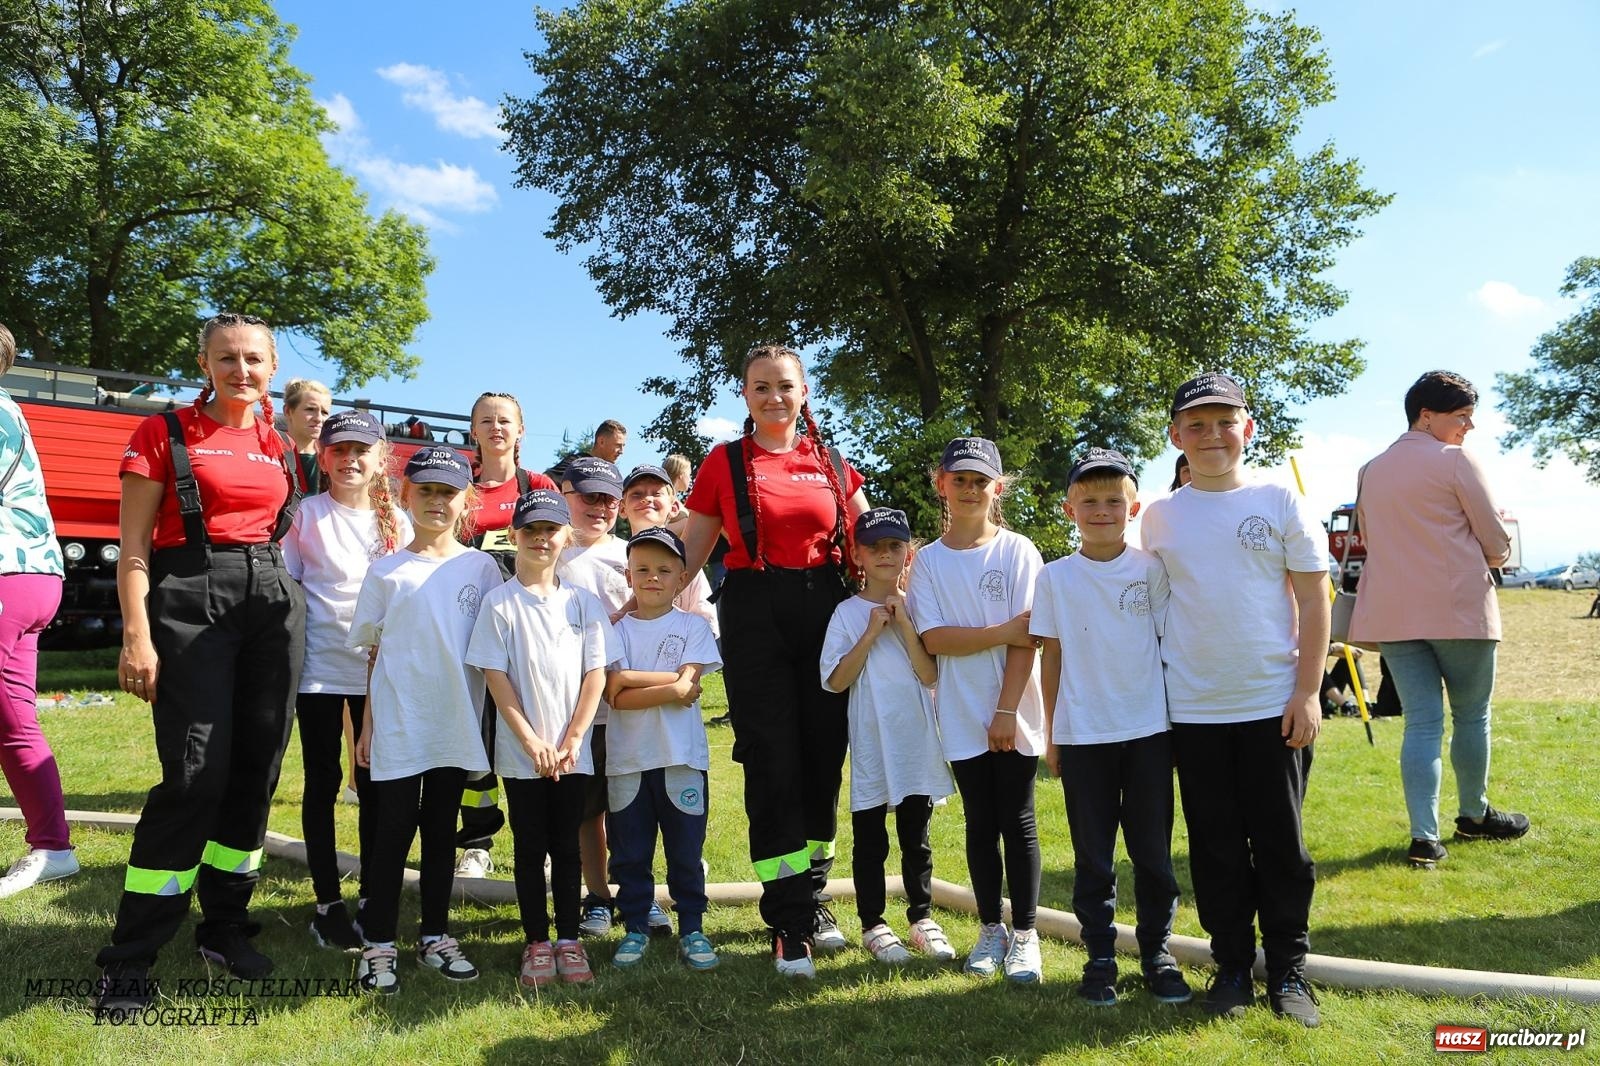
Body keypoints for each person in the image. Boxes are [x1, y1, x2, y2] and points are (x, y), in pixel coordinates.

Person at [95, 313, 306, 1011]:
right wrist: (136, 635)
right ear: (204, 363)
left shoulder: (280, 443)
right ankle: (128, 959)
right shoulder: (164, 433)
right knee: (194, 776)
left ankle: (225, 927)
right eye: (226, 359)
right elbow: (133, 551)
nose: (240, 370)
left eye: (253, 359)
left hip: (271, 599)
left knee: (255, 774)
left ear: (272, 366)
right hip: (190, 596)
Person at [1139, 372, 1327, 1027]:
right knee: (1215, 847)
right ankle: (1230, 967)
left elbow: (1313, 600)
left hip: (1274, 703)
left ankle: (1288, 971)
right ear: (1176, 437)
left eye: (1226, 421)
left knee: (1281, 847)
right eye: (1197, 424)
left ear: (1248, 428)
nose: (1212, 434)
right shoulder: (1157, 516)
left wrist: (1308, 691)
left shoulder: (1281, 499)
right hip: (1192, 711)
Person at [681, 344, 869, 978]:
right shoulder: (723, 463)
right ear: (745, 394)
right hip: (756, 612)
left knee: (822, 759)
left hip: (825, 608)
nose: (773, 397)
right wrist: (638, 603)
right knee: (772, 762)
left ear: (804, 392)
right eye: (760, 387)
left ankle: (813, 899)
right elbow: (688, 555)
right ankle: (787, 921)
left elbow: (869, 547)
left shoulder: (833, 464)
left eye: (784, 386)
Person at [1347, 370, 1526, 871]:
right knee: (1472, 715)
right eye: (1462, 416)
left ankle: (1424, 837)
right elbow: (1493, 536)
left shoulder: (1370, 469)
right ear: (1427, 415)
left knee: (1421, 724)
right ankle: (1474, 814)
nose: (1469, 426)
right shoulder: (1455, 460)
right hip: (1460, 609)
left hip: (1393, 612)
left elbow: (1369, 537)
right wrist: (1499, 553)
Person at [1031, 448, 1189, 1007]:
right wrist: (1052, 731)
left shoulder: (1151, 569)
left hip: (1148, 732)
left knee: (1151, 852)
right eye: (1089, 501)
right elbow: (1049, 656)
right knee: (1093, 856)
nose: (1102, 510)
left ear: (1134, 507)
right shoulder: (1054, 578)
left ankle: (1157, 953)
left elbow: (1171, 647)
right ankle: (1100, 955)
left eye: (1113, 501)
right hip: (1081, 737)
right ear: (1069, 508)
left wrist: (1173, 726)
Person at [348, 447, 501, 995]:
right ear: (405, 496)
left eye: (448, 492)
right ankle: (379, 944)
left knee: (441, 834)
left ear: (467, 501)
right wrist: (365, 727)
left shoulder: (481, 568)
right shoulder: (385, 571)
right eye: (427, 490)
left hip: (454, 725)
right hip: (398, 725)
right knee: (389, 835)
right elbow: (373, 654)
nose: (437, 501)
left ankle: (435, 935)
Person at [906, 437, 1046, 984]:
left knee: (1018, 819)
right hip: (960, 715)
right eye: (958, 479)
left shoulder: (1018, 551)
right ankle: (992, 930)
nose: (969, 489)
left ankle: (1027, 935)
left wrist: (1007, 710)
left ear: (998, 487)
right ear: (941, 484)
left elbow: (1026, 639)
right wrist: (1001, 630)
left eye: (979, 480)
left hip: (1013, 711)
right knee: (979, 823)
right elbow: (936, 639)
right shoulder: (929, 564)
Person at [465, 489, 611, 987]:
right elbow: (496, 678)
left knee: (568, 849)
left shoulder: (583, 603)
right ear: (515, 536)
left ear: (566, 536)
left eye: (552, 529)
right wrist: (530, 741)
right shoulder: (499, 604)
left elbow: (595, 674)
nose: (542, 539)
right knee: (530, 848)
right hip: (520, 753)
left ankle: (568, 940)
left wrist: (573, 738)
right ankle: (536, 943)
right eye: (531, 530)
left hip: (573, 755)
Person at [280, 409, 409, 950]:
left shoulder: (397, 522)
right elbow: (287, 587)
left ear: (381, 460)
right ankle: (327, 900)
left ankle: (375, 896)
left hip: (378, 676)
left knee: (377, 784)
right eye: (340, 451)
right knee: (322, 782)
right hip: (318, 672)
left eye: (363, 451)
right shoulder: (305, 515)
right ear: (323, 457)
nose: (351, 460)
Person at [820, 508, 955, 965]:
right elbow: (836, 681)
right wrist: (871, 632)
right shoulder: (845, 613)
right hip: (872, 741)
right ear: (856, 554)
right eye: (873, 547)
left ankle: (921, 917)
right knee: (871, 838)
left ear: (908, 554)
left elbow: (929, 673)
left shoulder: (919, 606)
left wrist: (902, 626)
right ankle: (873, 924)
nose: (884, 554)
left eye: (894, 546)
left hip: (916, 738)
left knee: (916, 836)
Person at [603, 526, 723, 971]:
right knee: (630, 853)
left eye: (664, 570)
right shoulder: (615, 630)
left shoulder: (693, 625)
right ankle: (635, 927)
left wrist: (632, 679)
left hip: (681, 760)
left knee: (685, 852)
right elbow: (615, 695)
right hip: (628, 761)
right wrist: (666, 684)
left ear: (682, 577)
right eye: (643, 570)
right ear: (629, 575)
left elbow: (689, 686)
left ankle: (692, 927)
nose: (653, 578)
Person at [455, 391, 559, 880]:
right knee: (475, 741)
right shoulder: (458, 488)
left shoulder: (537, 485)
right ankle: (476, 840)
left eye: (505, 421)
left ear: (520, 430)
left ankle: (532, 840)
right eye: (486, 421)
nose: (496, 428)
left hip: (527, 634)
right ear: (472, 430)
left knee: (526, 734)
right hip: (464, 630)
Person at [0, 321, 78, 900]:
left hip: (10, 571)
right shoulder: (9, 409)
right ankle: (53, 844)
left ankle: (53, 846)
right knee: (12, 717)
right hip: (31, 573)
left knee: (12, 719)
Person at [555, 456, 644, 939]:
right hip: (573, 711)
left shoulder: (633, 554)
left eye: (609, 499)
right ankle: (596, 896)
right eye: (589, 497)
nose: (600, 507)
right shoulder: (548, 552)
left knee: (630, 806)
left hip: (629, 705)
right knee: (587, 812)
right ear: (565, 494)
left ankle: (637, 893)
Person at [620, 464, 718, 637]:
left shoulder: (685, 563)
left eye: (656, 493)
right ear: (622, 508)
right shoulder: (610, 557)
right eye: (637, 494)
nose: (647, 499)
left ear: (674, 508)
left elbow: (706, 622)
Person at [281, 378, 331, 497]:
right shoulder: (271, 454)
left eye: (324, 412)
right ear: (288, 411)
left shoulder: (331, 458)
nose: (318, 418)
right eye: (310, 409)